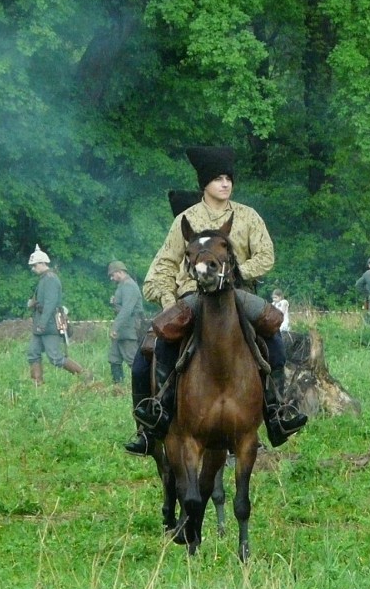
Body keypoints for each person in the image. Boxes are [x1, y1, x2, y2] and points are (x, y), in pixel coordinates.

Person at [124, 145, 307, 455]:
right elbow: (165, 265)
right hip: (193, 296)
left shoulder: (248, 217)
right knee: (147, 356)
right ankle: (154, 418)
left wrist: (237, 273)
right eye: (218, 178)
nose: (226, 183)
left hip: (238, 295)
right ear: (204, 184)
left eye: (229, 178)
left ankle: (276, 413)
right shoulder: (186, 219)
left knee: (274, 341)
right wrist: (169, 301)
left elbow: (266, 255)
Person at [26, 245, 89, 384]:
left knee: (55, 357)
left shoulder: (50, 279)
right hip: (41, 323)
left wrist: (42, 324)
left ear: (42, 263)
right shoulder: (44, 279)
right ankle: (38, 385)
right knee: (33, 353)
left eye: (35, 265)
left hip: (48, 324)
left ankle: (85, 377)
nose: (33, 268)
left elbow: (50, 304)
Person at [107, 261, 145, 384]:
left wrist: (114, 327)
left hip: (129, 327)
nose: (112, 278)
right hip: (122, 328)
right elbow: (123, 306)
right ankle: (118, 388)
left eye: (113, 275)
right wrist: (115, 302)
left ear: (120, 272)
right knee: (114, 358)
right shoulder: (122, 285)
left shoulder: (129, 285)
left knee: (132, 359)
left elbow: (127, 309)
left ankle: (142, 386)